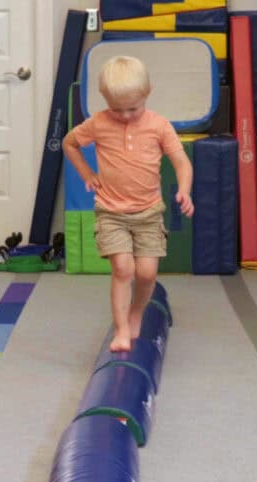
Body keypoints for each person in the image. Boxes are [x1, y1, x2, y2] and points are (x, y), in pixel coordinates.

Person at [63, 56, 194, 352]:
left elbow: (181, 162)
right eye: (116, 109)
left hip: (149, 213)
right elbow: (69, 143)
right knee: (123, 270)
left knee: (147, 273)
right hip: (111, 212)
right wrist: (87, 173)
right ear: (104, 100)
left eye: (132, 109)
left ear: (147, 93)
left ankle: (136, 313)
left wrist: (184, 190)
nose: (123, 116)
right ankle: (121, 330)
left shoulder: (159, 126)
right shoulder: (98, 123)